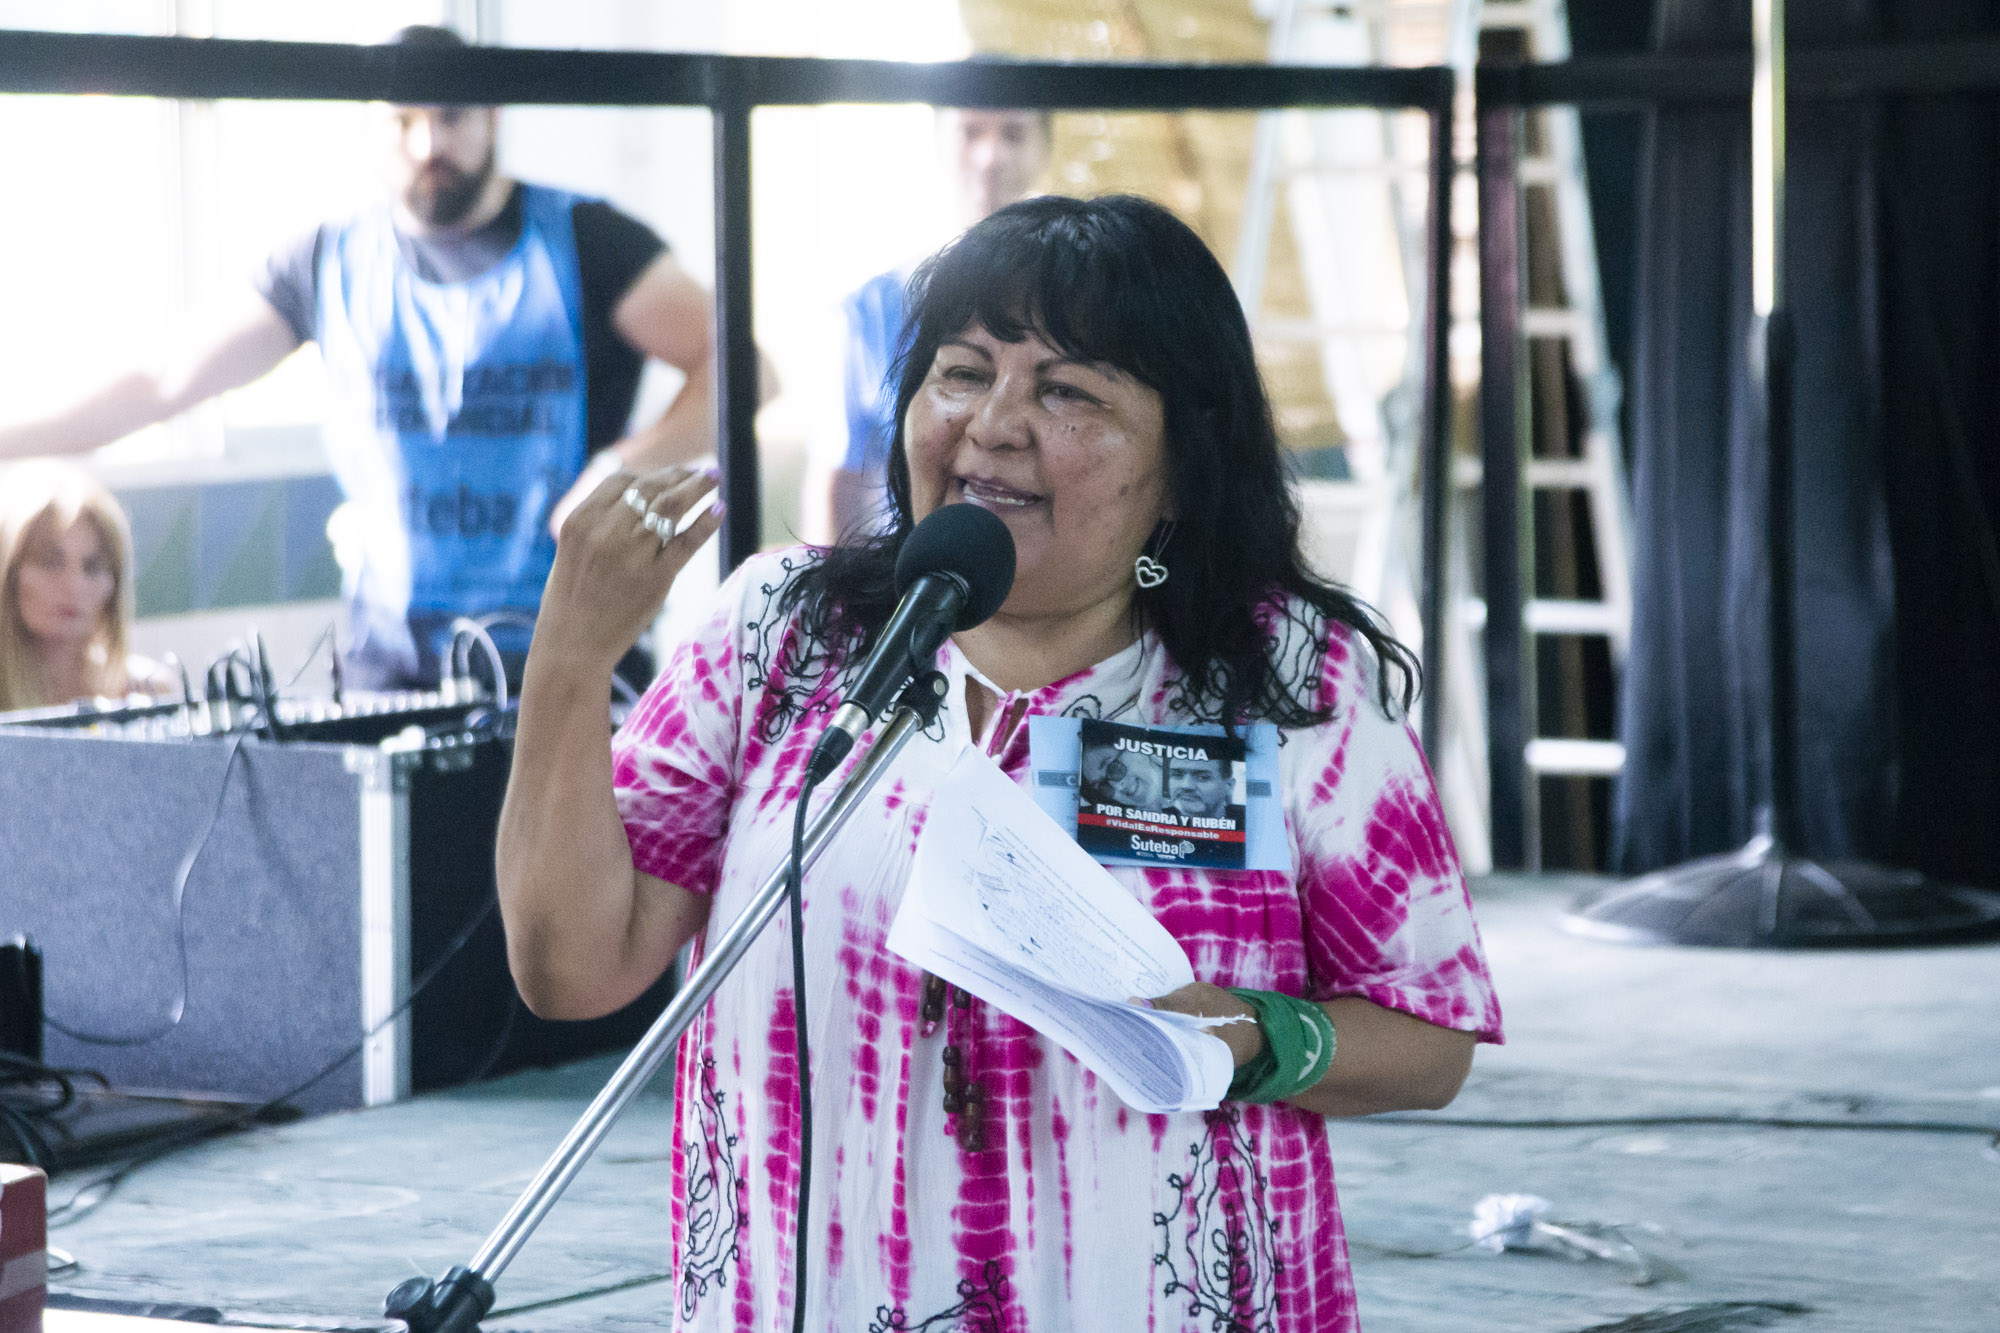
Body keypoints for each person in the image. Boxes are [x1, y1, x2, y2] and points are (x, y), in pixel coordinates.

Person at [498, 195, 1502, 1332]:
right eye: (963, 372)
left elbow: (1427, 1038)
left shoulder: (1287, 678)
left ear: (1182, 463)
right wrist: (568, 662)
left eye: (1069, 392)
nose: (994, 424)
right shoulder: (782, 633)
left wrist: (1251, 1037)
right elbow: (573, 970)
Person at [0, 25, 755, 691]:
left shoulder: (589, 242)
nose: (429, 145)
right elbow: (160, 382)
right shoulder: (326, 261)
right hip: (391, 669)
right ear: (370, 128)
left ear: (493, 118)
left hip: (569, 661)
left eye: (451, 117)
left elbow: (743, 368)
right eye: (403, 121)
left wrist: (623, 467)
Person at [806, 108, 1051, 542]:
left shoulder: (1086, 308)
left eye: (1013, 134)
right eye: (970, 132)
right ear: (939, 143)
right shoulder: (873, 307)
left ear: (1045, 149)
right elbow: (840, 476)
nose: (990, 156)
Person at [0, 461, 174, 712]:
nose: (74, 586)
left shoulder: (147, 691)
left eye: (93, 567)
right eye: (50, 563)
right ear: (9, 574)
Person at [1164, 754, 1241, 823]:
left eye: (1202, 777)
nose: (1186, 785)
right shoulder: (1161, 814)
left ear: (1229, 786)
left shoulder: (1244, 820)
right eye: (1177, 775)